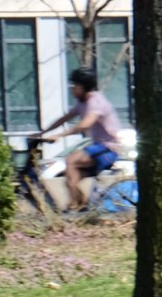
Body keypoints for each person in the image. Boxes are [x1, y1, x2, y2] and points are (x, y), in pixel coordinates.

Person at [35, 68, 123, 211]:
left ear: (84, 87)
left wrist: (59, 136)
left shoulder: (96, 101)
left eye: (75, 85)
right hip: (98, 149)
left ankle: (75, 204)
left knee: (71, 159)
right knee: (70, 180)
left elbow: (85, 124)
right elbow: (64, 118)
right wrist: (43, 132)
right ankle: (81, 205)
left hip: (109, 149)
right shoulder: (82, 102)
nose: (72, 89)